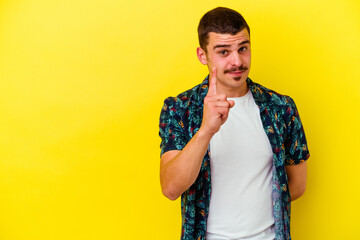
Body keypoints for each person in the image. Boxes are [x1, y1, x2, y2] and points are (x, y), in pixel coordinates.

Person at [159, 7, 309, 240]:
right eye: (223, 52)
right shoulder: (180, 109)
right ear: (203, 55)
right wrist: (206, 131)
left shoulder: (281, 107)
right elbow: (170, 188)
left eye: (243, 48)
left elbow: (297, 185)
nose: (237, 61)